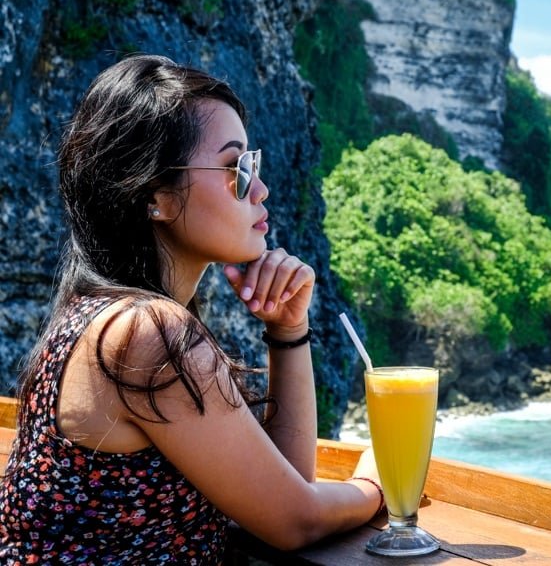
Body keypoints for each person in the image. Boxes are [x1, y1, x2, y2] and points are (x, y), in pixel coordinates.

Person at [0, 55, 382, 563]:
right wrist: (378, 483)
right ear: (154, 195)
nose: (261, 189)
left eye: (255, 164)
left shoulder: (98, 314)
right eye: (236, 168)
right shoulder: (145, 333)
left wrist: (289, 330)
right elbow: (296, 521)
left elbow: (282, 490)